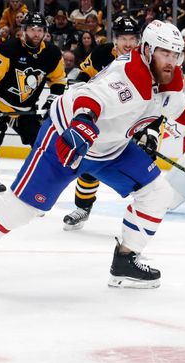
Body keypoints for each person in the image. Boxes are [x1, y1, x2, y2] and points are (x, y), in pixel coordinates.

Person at [0, 21, 185, 290]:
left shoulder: (168, 74)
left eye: (175, 54)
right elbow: (89, 96)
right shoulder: (128, 76)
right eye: (164, 53)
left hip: (112, 148)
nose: (171, 61)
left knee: (157, 193)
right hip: (66, 139)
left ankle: (126, 260)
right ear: (147, 49)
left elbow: (173, 102)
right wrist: (83, 123)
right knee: (22, 209)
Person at [0, 12, 66, 216]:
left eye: (40, 30)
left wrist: (52, 100)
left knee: (42, 148)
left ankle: (34, 194)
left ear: (45, 32)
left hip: (25, 111)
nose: (36, 33)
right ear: (24, 30)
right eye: (32, 29)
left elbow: (59, 81)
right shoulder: (8, 48)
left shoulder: (52, 53)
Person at [60, 15, 141, 231]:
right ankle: (83, 208)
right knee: (89, 164)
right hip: (105, 119)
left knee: (141, 170)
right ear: (115, 39)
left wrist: (149, 132)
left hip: (135, 120)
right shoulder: (104, 53)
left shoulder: (144, 60)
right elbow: (84, 76)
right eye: (123, 38)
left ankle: (143, 213)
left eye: (132, 38)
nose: (128, 43)